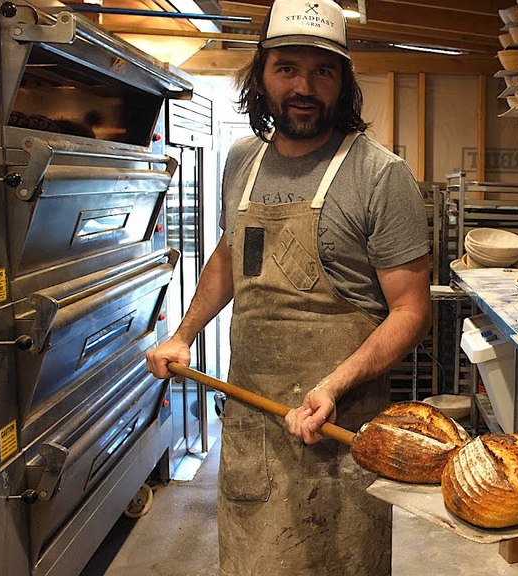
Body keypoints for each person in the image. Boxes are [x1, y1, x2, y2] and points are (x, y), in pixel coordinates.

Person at [145, 0, 431, 573]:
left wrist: (334, 383)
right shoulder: (241, 161)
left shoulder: (381, 174)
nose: (304, 86)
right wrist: (183, 335)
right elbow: (231, 256)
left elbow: (410, 310)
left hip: (341, 433)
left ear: (344, 82)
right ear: (261, 75)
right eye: (287, 68)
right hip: (255, 426)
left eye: (322, 71)